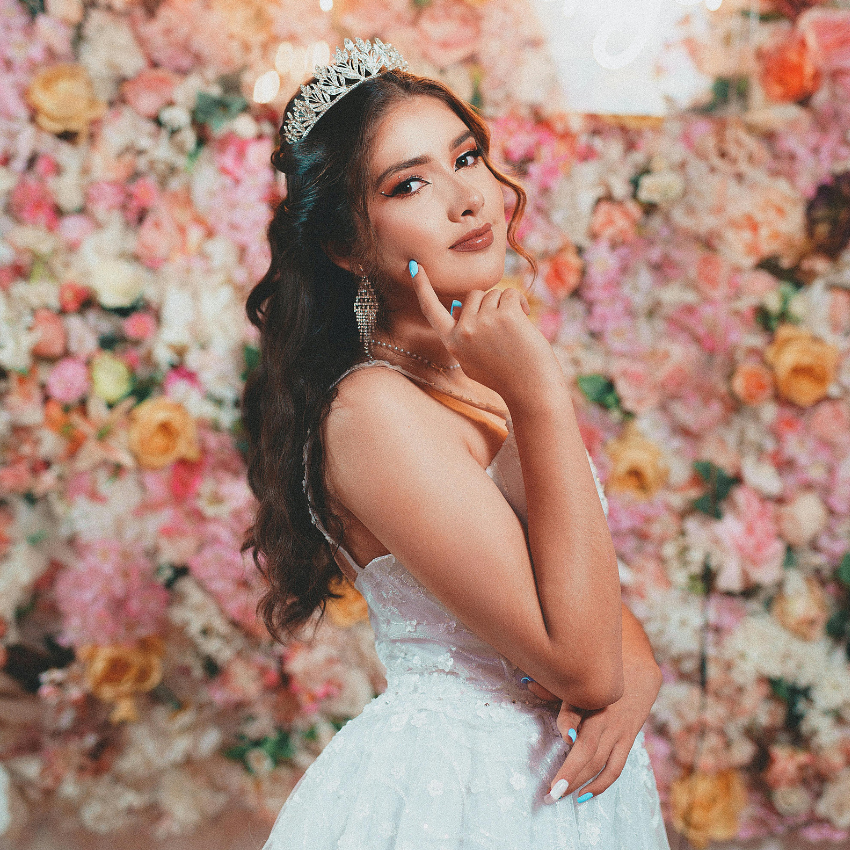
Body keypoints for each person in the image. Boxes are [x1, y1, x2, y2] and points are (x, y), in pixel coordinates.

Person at [243, 37, 670, 850]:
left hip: (571, 792)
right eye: (410, 182)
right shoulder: (373, 408)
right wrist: (539, 394)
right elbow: (579, 665)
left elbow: (576, 586)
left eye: (466, 157)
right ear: (346, 246)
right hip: (463, 796)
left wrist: (638, 668)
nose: (468, 200)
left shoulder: (480, 376)